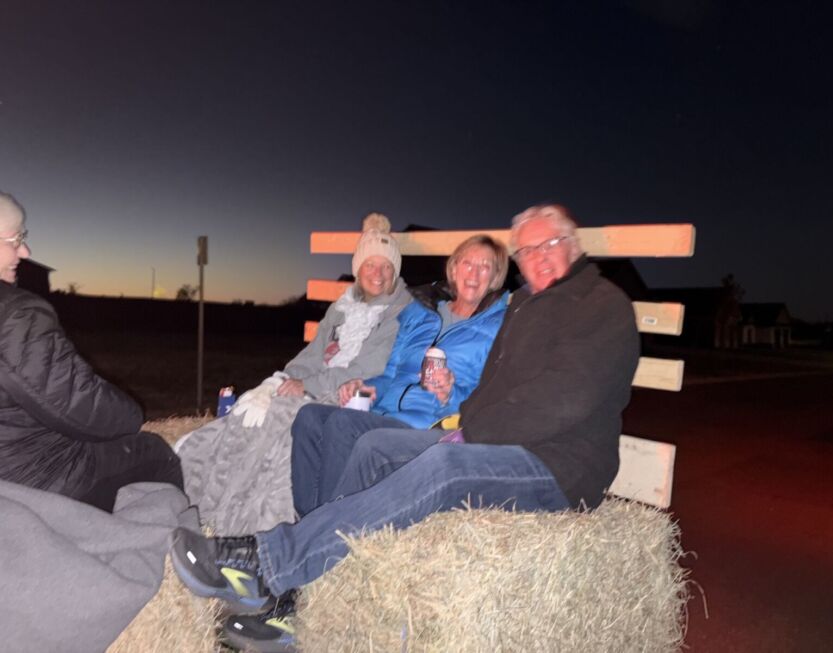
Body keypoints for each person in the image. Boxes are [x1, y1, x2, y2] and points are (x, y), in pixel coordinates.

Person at [170, 204, 640, 652]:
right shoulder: (525, 306)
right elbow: (490, 391)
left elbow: (568, 397)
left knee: (444, 465)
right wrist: (461, 413)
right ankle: (308, 600)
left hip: (558, 465)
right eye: (527, 251)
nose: (537, 258)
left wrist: (466, 430)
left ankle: (269, 563)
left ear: (573, 245)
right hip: (493, 440)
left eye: (548, 245)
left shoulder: (600, 304)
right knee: (368, 444)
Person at [177, 213, 412, 533]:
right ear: (358, 269)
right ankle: (197, 493)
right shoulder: (343, 307)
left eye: (387, 266)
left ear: (395, 272)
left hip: (346, 394)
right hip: (315, 384)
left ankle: (249, 523)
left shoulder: (398, 313)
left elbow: (366, 369)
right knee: (247, 411)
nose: (379, 274)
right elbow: (314, 353)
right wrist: (282, 380)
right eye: (371, 264)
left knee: (279, 423)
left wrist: (306, 386)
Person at [291, 234, 509, 517]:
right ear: (454, 269)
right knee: (310, 417)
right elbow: (392, 372)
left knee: (344, 425)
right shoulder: (422, 313)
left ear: (495, 277)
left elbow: (495, 395)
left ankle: (325, 527)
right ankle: (308, 518)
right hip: (386, 412)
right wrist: (368, 387)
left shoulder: (499, 326)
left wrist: (451, 393)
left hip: (432, 423)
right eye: (468, 263)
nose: (474, 273)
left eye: (485, 266)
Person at [0, 190, 183, 511]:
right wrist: (133, 416)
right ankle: (159, 548)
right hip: (32, 481)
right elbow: (76, 405)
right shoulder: (17, 314)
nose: (25, 251)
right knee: (153, 452)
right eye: (15, 240)